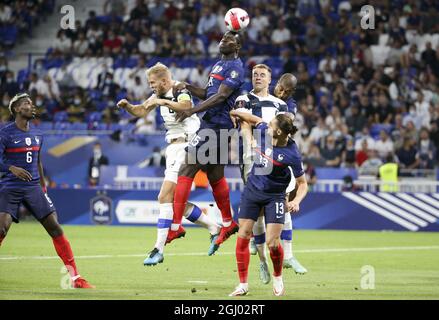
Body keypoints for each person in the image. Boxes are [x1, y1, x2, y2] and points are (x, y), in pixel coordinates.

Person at [117, 63, 220, 265]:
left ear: (164, 81)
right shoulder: (158, 95)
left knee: (164, 196)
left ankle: (158, 249)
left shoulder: (179, 90)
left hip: (188, 144)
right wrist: (128, 107)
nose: (151, 86)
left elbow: (186, 107)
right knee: (173, 201)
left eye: (153, 83)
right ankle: (213, 227)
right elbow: (141, 111)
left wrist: (162, 102)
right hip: (174, 148)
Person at [0, 93, 94, 288]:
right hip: (10, 186)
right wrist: (11, 168)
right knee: (2, 227)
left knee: (55, 228)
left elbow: (38, 161)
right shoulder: (5, 133)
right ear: (17, 109)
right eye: (26, 103)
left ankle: (75, 278)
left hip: (33, 187)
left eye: (31, 103)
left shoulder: (38, 134)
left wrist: (43, 187)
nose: (31, 105)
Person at [169, 31, 245, 253]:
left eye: (229, 39)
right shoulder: (219, 65)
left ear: (237, 46)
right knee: (214, 175)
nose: (223, 40)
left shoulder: (236, 68)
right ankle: (228, 223)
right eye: (222, 38)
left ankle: (175, 226)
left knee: (186, 168)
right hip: (216, 126)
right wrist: (188, 87)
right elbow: (208, 93)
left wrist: (192, 110)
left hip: (216, 126)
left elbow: (221, 97)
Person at [228, 111, 308, 297]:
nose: (267, 125)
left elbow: (303, 183)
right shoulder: (265, 130)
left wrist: (296, 200)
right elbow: (250, 118)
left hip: (275, 196)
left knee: (273, 243)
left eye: (271, 125)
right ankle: (242, 285)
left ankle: (278, 277)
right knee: (243, 235)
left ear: (279, 132)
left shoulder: (291, 154)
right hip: (252, 191)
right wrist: (234, 112)